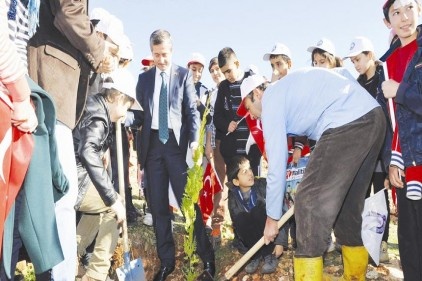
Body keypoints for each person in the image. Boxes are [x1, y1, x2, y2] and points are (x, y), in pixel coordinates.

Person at [239, 70, 386, 280]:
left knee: (308, 203)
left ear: (257, 93)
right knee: (347, 207)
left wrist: (272, 217)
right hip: (373, 117)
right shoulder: (292, 84)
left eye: (248, 107)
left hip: (346, 123)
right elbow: (343, 72)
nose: (251, 115)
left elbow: (276, 164)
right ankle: (355, 276)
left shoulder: (271, 99)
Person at [27, 1, 117, 279]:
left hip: (54, 91)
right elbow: (68, 10)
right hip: (52, 87)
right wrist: (99, 49)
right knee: (60, 197)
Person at [135, 29, 215, 281]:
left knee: (188, 206)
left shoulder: (182, 76)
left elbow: (192, 112)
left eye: (165, 54)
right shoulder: (144, 80)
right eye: (156, 55)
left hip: (176, 147)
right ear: (151, 52)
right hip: (152, 150)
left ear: (172, 51)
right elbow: (140, 116)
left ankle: (208, 259)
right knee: (159, 208)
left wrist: (194, 142)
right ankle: (166, 262)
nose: (161, 59)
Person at [74, 68, 141, 281]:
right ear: (117, 98)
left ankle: (72, 252)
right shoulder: (98, 114)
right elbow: (87, 150)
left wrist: (102, 150)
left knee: (102, 206)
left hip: (74, 176)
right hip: (73, 180)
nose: (125, 114)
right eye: (127, 106)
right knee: (113, 207)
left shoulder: (97, 107)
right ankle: (96, 274)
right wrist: (113, 199)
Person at [380, 0, 422, 279]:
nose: (404, 17)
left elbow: (404, 99)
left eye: (409, 7)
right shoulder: (389, 60)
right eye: (396, 12)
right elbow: (394, 121)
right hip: (406, 160)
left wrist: (400, 90)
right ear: (388, 22)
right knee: (408, 237)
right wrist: (392, 161)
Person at [344, 35, 391, 263]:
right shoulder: (358, 84)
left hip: (383, 149)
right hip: (364, 151)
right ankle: (362, 242)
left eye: (358, 59)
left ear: (370, 55)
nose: (356, 65)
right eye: (352, 62)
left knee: (381, 195)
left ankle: (381, 244)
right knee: (361, 196)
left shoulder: (386, 75)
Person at [226, 155, 282, 274]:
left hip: (270, 234)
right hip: (252, 240)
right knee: (241, 218)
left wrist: (280, 243)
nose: (250, 174)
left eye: (250, 169)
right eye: (244, 172)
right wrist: (245, 250)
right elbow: (238, 227)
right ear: (236, 181)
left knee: (258, 210)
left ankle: (268, 254)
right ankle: (255, 255)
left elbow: (281, 211)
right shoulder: (233, 197)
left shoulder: (263, 185)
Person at [213, 47, 261, 176]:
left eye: (229, 71)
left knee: (255, 185)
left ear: (237, 64)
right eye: (224, 73)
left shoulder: (252, 80)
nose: (227, 75)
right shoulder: (223, 87)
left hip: (253, 150)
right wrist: (226, 124)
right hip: (232, 153)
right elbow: (217, 116)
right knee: (234, 189)